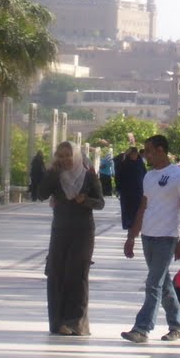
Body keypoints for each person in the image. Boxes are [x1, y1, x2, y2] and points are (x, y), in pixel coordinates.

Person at [121, 134, 180, 344]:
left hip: (167, 238)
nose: (147, 156)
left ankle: (142, 328)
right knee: (163, 284)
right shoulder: (149, 177)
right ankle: (179, 324)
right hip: (148, 236)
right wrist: (131, 236)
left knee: (153, 283)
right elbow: (143, 207)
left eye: (150, 151)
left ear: (161, 150)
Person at [37, 141, 104, 336]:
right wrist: (51, 173)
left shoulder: (89, 176)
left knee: (77, 275)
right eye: (61, 155)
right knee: (57, 274)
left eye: (68, 155)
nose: (65, 159)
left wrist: (86, 201)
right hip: (60, 231)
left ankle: (75, 322)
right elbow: (41, 194)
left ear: (75, 156)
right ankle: (58, 323)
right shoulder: (56, 176)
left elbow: (100, 203)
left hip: (83, 232)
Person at [114, 146, 146, 230]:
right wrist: (118, 189)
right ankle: (129, 225)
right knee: (127, 210)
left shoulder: (140, 164)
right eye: (132, 154)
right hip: (126, 192)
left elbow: (145, 176)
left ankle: (137, 225)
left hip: (138, 191)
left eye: (135, 154)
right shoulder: (124, 163)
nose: (134, 156)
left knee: (138, 209)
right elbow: (118, 175)